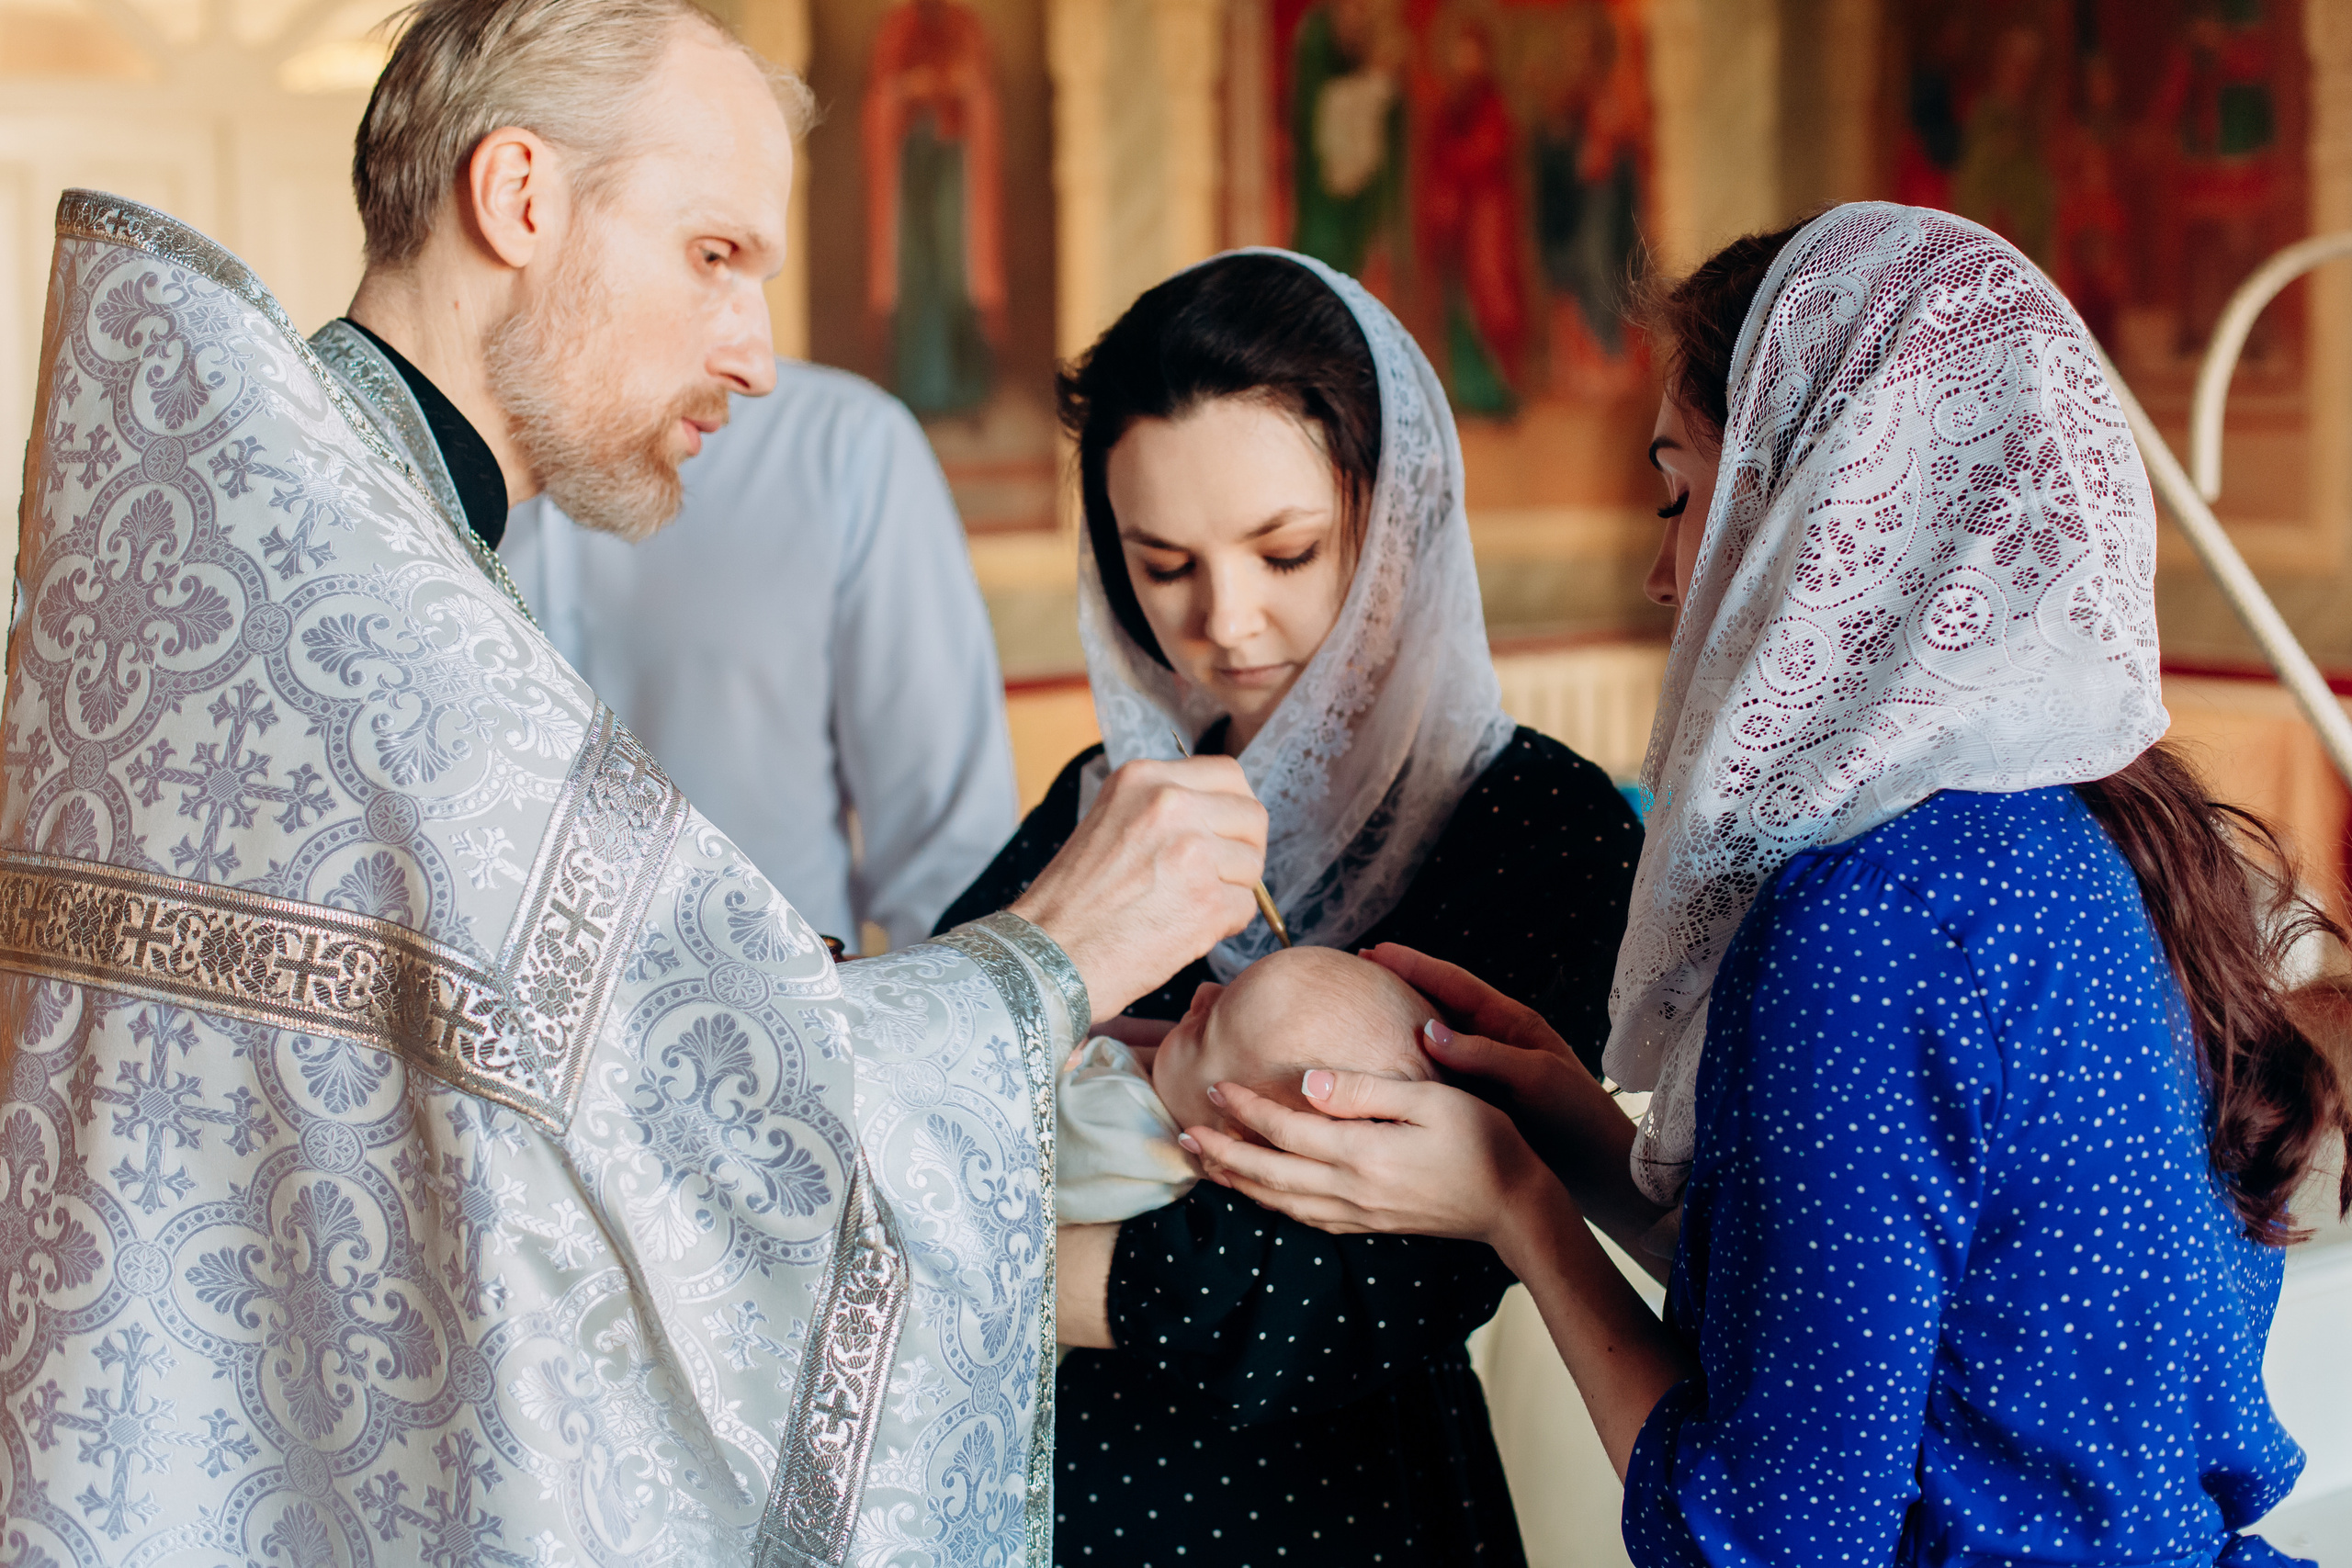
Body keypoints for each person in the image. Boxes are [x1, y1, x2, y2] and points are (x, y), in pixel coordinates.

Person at [0, 3, 1269, 1562]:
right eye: (714, 255)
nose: (756, 354)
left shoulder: (283, 535)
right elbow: (703, 1126)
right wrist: (1052, 953)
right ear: (520, 197)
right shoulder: (376, 624)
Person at [1187, 203, 2352, 1563]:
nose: (1659, 571)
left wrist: (1518, 1208)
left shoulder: (1869, 920)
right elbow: (1896, 1334)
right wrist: (1577, 1134)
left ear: (1835, 508)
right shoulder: (2106, 835)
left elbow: (1769, 1540)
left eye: (1681, 495)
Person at [937, 249, 1643, 1565]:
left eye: (1286, 552)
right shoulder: (1114, 803)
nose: (1227, 621)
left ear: (1395, 518)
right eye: (1164, 565)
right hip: (1041, 1496)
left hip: (1343, 1513)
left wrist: (955, 1265)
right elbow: (926, 1097)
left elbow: (1346, 1293)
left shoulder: (1536, 823)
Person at [500, 362, 1018, 953]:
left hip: (779, 1002)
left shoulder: (845, 443)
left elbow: (951, 860)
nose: (757, 356)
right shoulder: (415, 461)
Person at [1057, 946, 1437, 1225]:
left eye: (1203, 1031)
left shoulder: (1119, 1131)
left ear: (1230, 1136)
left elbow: (1026, 1119)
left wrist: (1060, 1053)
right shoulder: (1171, 1099)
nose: (1203, 992)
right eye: (1227, 988)